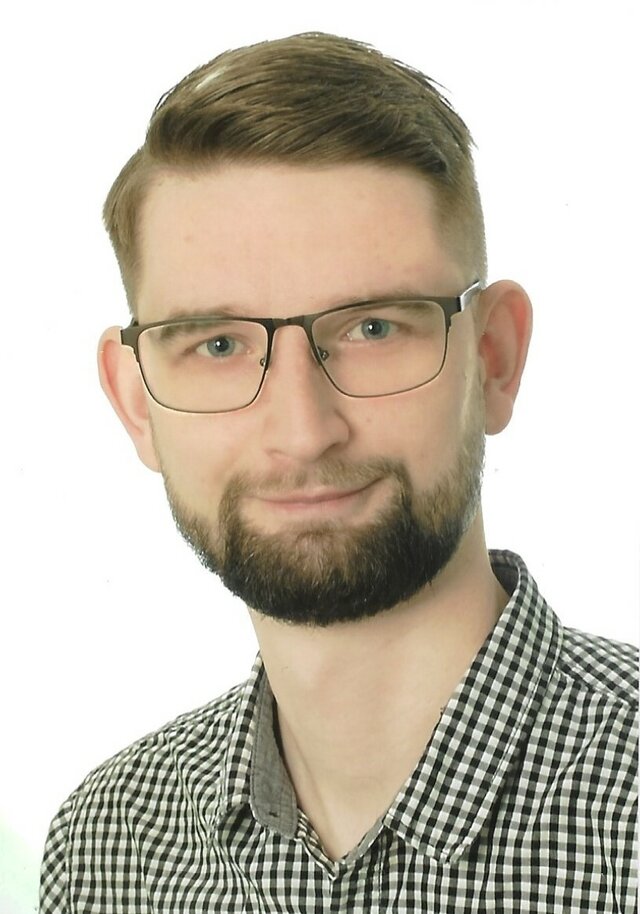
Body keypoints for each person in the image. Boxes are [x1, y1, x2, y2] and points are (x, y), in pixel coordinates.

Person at [39, 32, 637, 913]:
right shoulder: (108, 846)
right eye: (217, 345)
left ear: (495, 358)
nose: (302, 432)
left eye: (373, 329)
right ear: (136, 403)